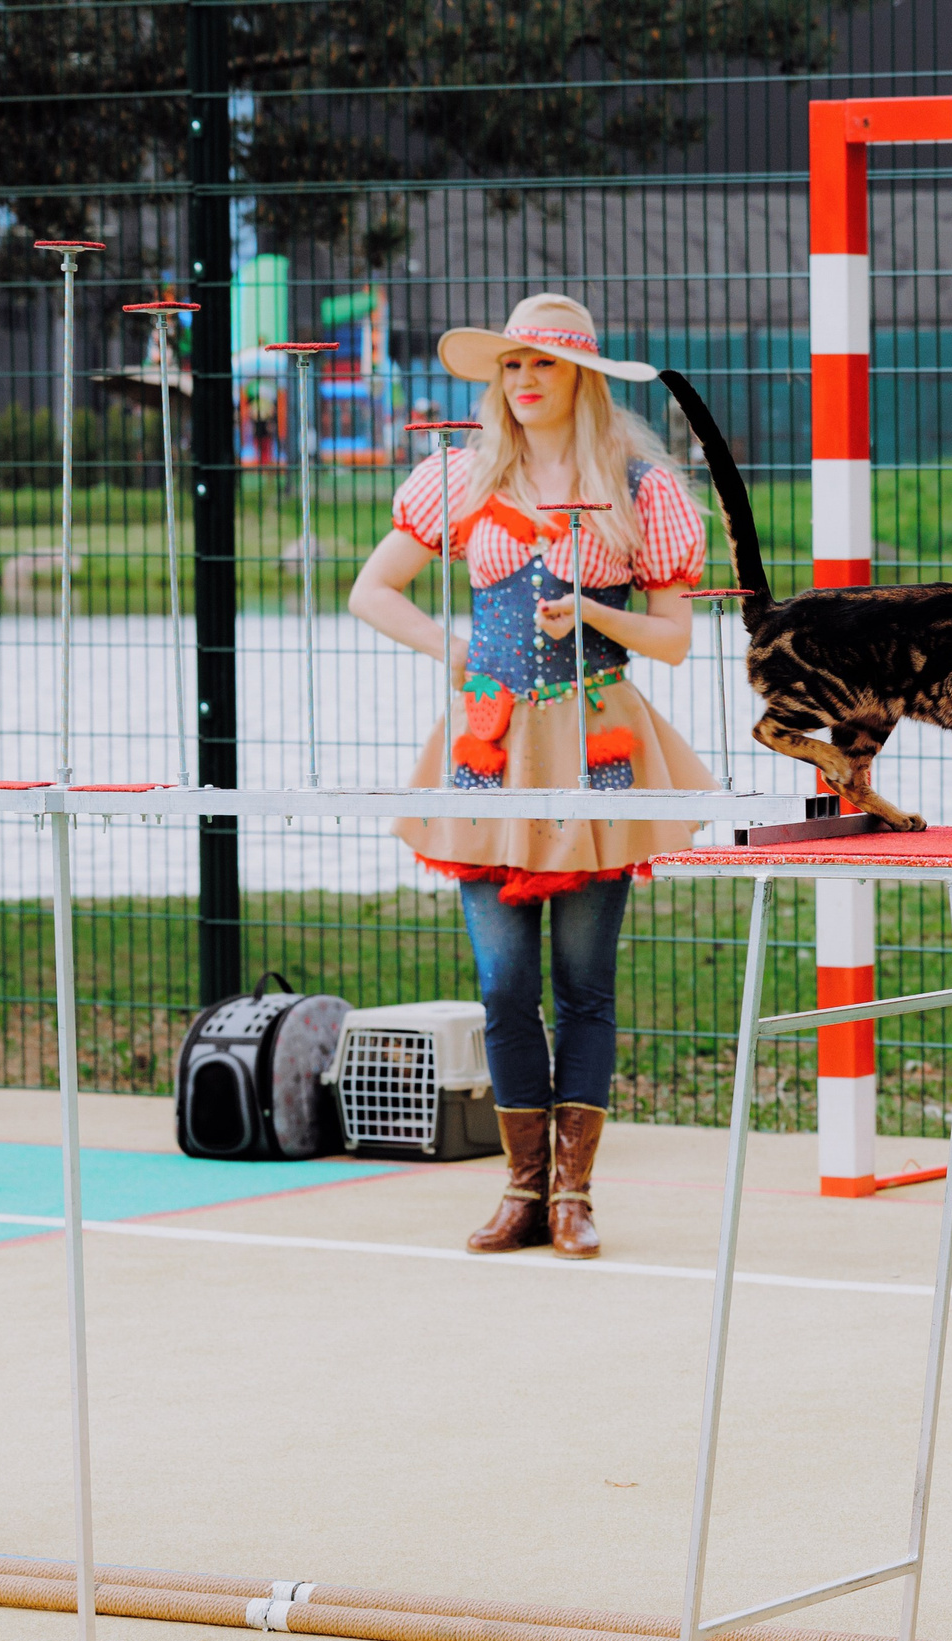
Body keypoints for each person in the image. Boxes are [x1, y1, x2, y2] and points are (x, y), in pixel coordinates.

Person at [348, 294, 713, 1261]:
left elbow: (674, 639)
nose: (522, 383)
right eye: (510, 367)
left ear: (581, 378)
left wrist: (597, 614)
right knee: (505, 983)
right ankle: (519, 1189)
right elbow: (371, 590)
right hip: (492, 742)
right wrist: (453, 645)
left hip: (596, 736)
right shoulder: (462, 478)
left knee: (584, 981)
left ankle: (574, 1196)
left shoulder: (641, 489)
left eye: (541, 366)